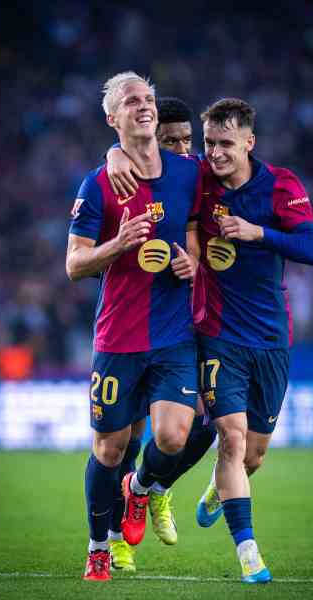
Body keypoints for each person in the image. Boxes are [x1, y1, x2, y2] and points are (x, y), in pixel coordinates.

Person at [105, 97, 313, 584]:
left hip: (270, 336)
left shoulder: (281, 185)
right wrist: (113, 155)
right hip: (215, 331)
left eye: (226, 144)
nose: (215, 154)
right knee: (229, 435)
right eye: (209, 144)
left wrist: (257, 232)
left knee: (252, 454)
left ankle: (207, 488)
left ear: (249, 142)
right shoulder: (197, 177)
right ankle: (248, 555)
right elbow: (145, 161)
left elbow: (312, 249)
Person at [66, 71, 203, 582]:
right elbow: (75, 264)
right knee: (109, 448)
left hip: (173, 334)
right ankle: (98, 546)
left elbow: (193, 232)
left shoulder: (188, 173)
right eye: (131, 101)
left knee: (172, 436)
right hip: (118, 338)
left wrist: (190, 262)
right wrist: (119, 244)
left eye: (147, 98)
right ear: (112, 119)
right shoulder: (99, 183)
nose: (143, 105)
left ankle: (139, 490)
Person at [102, 96, 218, 575]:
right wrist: (111, 155)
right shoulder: (134, 172)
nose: (182, 149)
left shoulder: (201, 172)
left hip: (209, 321)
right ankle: (116, 544)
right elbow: (114, 158)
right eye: (172, 142)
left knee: (208, 427)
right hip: (153, 324)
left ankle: (153, 487)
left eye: (187, 141)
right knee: (124, 441)